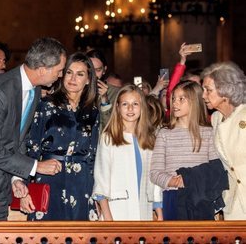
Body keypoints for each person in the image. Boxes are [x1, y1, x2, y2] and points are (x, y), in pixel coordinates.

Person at [19, 52, 99, 221]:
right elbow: (31, 148)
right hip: (49, 180)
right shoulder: (46, 105)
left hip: (81, 184)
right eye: (69, 72)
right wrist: (25, 189)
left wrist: (96, 193)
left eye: (80, 74)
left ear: (88, 80)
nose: (73, 78)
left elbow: (93, 156)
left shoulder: (92, 111)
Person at [0, 37, 66, 220]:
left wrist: (16, 178)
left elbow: (18, 139)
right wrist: (36, 166)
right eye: (59, 71)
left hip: (1, 192)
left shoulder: (33, 90)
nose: (60, 76)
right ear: (43, 69)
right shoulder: (0, 91)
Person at [150, 81, 226, 220]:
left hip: (201, 196)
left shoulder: (208, 132)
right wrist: (172, 181)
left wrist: (193, 179)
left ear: (195, 101)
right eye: (173, 99)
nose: (175, 103)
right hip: (173, 196)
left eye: (181, 99)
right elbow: (155, 172)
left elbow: (215, 169)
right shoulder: (165, 133)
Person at [92, 84, 162, 220]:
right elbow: (101, 178)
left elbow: (154, 179)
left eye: (135, 104)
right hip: (117, 209)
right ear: (117, 108)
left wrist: (158, 210)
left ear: (142, 108)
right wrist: (107, 215)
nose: (130, 108)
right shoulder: (109, 137)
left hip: (144, 207)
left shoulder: (150, 139)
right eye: (125, 104)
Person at [202, 61, 246, 220]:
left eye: (208, 90)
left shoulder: (244, 116)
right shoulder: (215, 119)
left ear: (225, 90)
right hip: (232, 204)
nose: (203, 95)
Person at [86, 49, 112, 129]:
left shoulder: (116, 93)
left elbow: (111, 126)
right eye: (90, 70)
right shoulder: (76, 89)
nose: (93, 74)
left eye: (98, 70)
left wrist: (104, 99)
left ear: (104, 70)